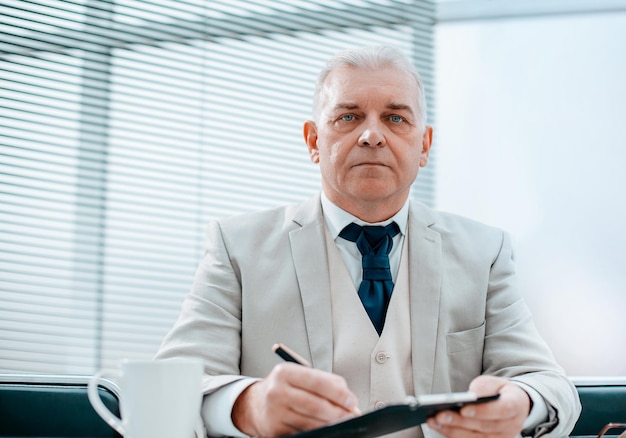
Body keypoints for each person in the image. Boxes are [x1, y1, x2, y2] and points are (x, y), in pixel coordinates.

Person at [156, 46, 581, 438]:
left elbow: (548, 384)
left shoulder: (484, 252)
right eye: (348, 117)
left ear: (424, 145)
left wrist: (520, 405)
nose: (372, 136)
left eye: (396, 118)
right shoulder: (236, 248)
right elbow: (169, 386)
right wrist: (249, 407)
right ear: (312, 141)